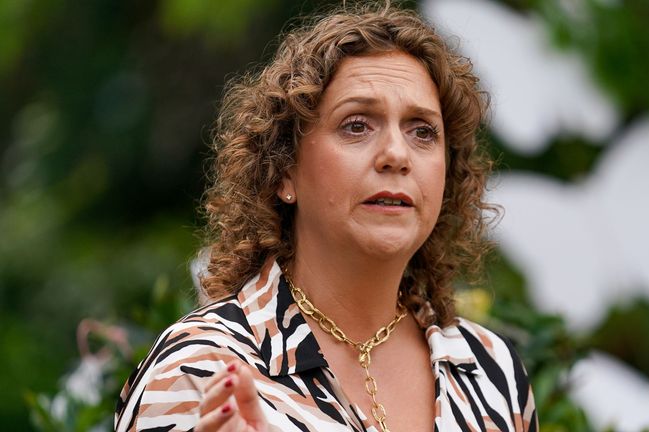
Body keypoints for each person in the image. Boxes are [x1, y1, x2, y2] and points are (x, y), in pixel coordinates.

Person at [115, 2, 538, 431]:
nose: (396, 154)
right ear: (284, 170)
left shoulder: (491, 372)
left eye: (422, 131)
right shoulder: (198, 371)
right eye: (357, 125)